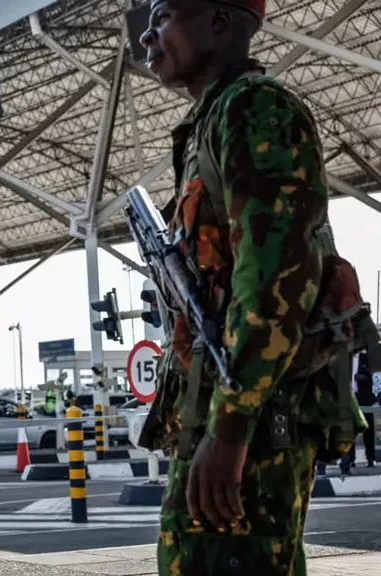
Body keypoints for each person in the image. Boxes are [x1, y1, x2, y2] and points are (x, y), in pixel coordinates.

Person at [137, 2, 379, 574]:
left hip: (255, 413)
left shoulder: (256, 110)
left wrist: (230, 427)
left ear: (219, 21)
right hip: (227, 403)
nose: (147, 34)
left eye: (165, 14)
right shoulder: (212, 120)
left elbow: (274, 283)